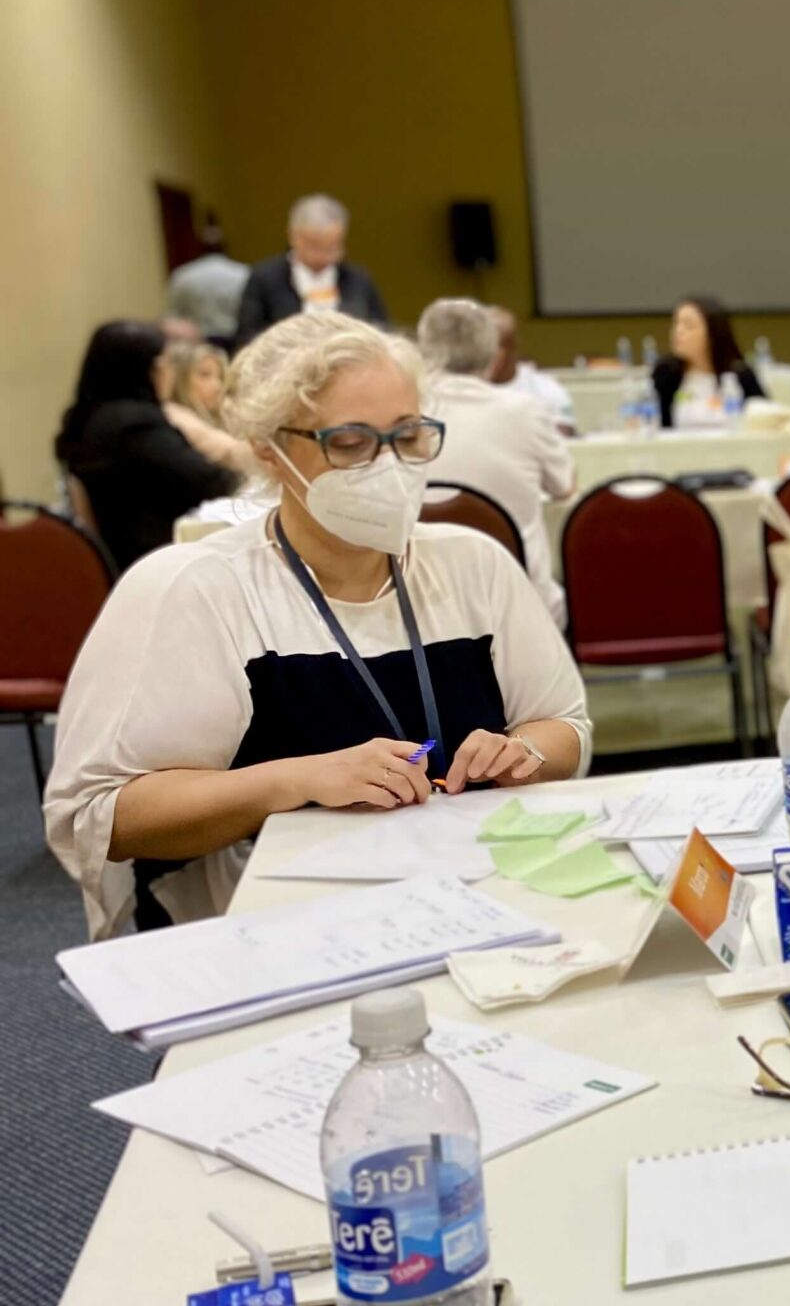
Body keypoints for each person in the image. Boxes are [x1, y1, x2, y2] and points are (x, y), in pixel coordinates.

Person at [44, 312, 590, 938]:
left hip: (475, 896)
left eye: (409, 436)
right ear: (268, 448)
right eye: (351, 444)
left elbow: (564, 725)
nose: (389, 465)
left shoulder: (474, 564)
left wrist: (523, 751)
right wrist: (296, 779)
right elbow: (103, 818)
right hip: (272, 927)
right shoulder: (195, 590)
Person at [415, 298, 573, 624]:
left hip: (425, 611)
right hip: (524, 609)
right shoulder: (527, 412)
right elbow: (565, 487)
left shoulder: (399, 417)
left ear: (423, 352)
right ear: (493, 355)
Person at [54, 320, 238, 571]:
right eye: (165, 364)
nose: (170, 373)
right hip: (150, 556)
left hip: (122, 549)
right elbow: (211, 481)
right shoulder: (134, 426)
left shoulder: (87, 416)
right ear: (142, 369)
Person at [234, 195, 390, 344]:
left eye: (332, 248)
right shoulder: (264, 279)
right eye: (314, 246)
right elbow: (248, 338)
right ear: (293, 236)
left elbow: (382, 331)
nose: (323, 257)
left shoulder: (358, 281)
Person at [652, 293, 764, 429]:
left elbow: (764, 420)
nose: (678, 331)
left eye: (689, 326)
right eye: (677, 323)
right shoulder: (666, 373)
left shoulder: (741, 374)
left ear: (712, 333)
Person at [156, 337, 259, 478]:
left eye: (220, 377)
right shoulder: (173, 418)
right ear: (177, 378)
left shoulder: (225, 421)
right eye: (204, 375)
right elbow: (233, 453)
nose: (218, 386)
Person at [487, 305, 575, 431]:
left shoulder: (545, 389)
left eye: (496, 346)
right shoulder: (464, 388)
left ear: (513, 345)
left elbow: (563, 433)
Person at [165, 220, 249, 343]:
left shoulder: (183, 275)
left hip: (199, 342)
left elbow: (174, 317)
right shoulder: (243, 273)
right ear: (224, 247)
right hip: (235, 339)